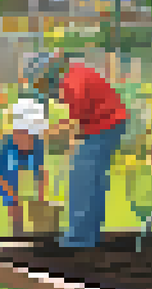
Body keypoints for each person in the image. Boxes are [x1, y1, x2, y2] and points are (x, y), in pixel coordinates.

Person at [23, 51, 128, 248]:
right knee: (93, 180)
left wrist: (62, 143)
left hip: (104, 125)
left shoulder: (71, 84)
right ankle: (90, 235)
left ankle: (77, 240)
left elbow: (74, 126)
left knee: (82, 179)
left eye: (38, 81)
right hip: (107, 122)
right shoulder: (69, 75)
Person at [0, 99, 48, 237]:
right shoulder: (5, 143)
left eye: (30, 136)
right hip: (8, 181)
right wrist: (7, 188)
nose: (27, 140)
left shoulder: (38, 143)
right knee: (15, 207)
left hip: (27, 182)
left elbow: (41, 169)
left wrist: (41, 192)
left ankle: (37, 237)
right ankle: (18, 234)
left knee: (34, 209)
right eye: (20, 134)